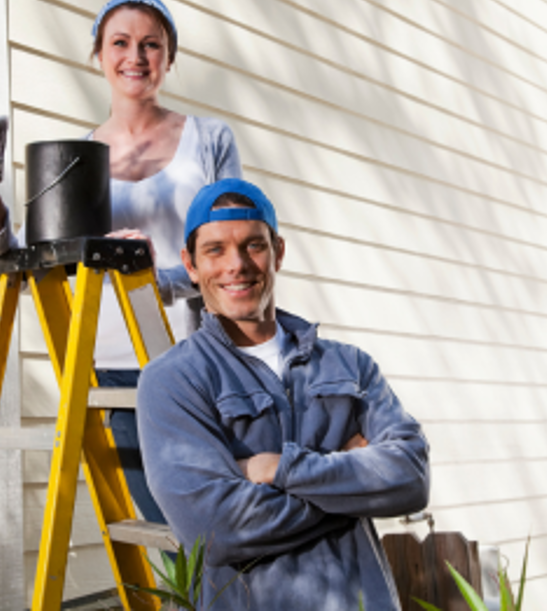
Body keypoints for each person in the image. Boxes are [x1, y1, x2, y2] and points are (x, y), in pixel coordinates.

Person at [0, 0, 242, 525]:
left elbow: (232, 255)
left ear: (169, 58)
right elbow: (39, 257)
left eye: (151, 45)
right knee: (161, 523)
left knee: (216, 516)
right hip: (114, 364)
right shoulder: (76, 158)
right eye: (121, 43)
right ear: (98, 55)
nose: (135, 56)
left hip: (197, 357)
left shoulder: (208, 139)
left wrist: (154, 279)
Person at [137, 179, 430, 610]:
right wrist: (349, 481)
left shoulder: (348, 365)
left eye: (253, 246)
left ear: (278, 251)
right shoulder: (174, 380)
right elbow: (215, 530)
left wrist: (280, 468)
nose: (236, 265)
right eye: (215, 250)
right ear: (190, 265)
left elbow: (410, 478)